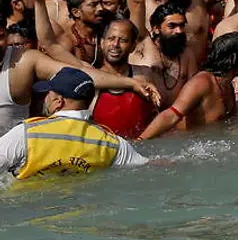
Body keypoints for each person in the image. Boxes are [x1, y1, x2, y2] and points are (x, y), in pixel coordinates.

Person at [0, 68, 148, 179]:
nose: (45, 98)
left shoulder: (26, 133)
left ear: (58, 101)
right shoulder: (113, 144)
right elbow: (148, 166)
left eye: (48, 94)